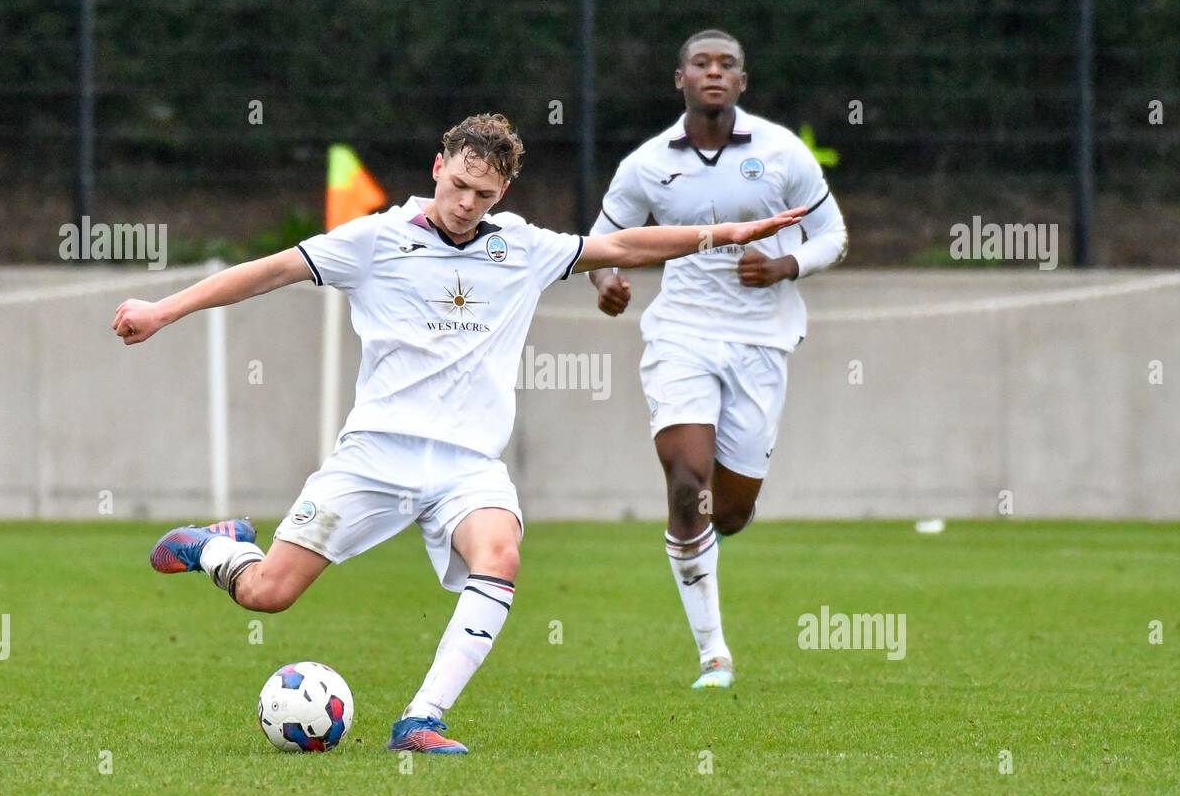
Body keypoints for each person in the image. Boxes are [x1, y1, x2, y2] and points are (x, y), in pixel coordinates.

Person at [113, 112, 807, 752]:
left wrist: (727, 234)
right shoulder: (374, 239)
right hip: (375, 458)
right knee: (268, 593)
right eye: (461, 184)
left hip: (468, 467)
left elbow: (622, 243)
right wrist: (162, 310)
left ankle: (422, 718)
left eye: (485, 193)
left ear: (502, 191)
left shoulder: (523, 248)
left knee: (499, 555)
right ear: (438, 165)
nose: (468, 202)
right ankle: (216, 548)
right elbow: (268, 272)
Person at [586, 31, 848, 689]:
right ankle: (713, 654)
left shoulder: (782, 153)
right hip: (681, 336)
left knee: (726, 512)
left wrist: (788, 263)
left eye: (726, 64)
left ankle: (709, 534)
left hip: (762, 343)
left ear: (742, 81)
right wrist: (605, 282)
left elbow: (835, 236)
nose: (713, 72)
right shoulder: (647, 164)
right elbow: (600, 242)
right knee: (685, 485)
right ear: (680, 79)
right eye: (701, 63)